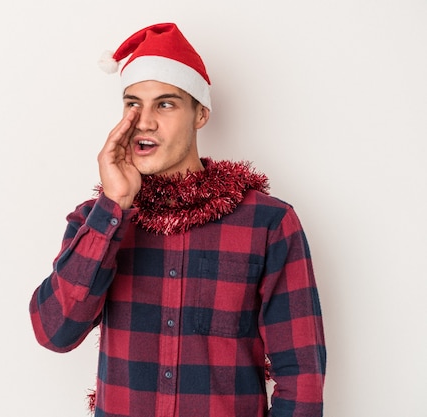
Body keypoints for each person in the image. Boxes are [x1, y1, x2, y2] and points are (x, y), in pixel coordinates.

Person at [29, 22, 326, 417]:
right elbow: (54, 331)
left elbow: (301, 372)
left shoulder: (267, 223)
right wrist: (115, 204)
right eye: (132, 103)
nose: (144, 121)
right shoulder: (96, 221)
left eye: (165, 104)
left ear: (200, 114)